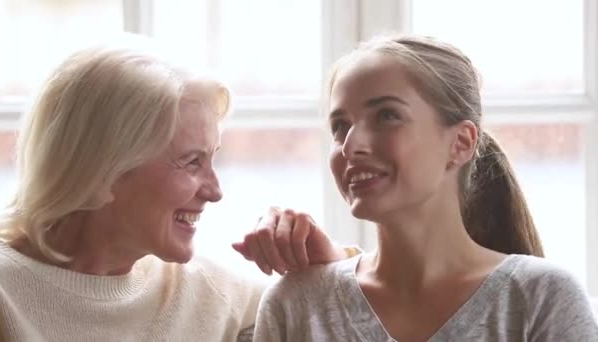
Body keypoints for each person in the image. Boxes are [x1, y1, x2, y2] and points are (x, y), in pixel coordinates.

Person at [0, 37, 352, 342]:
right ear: (103, 165)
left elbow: (368, 319)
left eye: (213, 160)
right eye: (192, 162)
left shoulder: (209, 292)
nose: (215, 191)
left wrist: (327, 265)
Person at [251, 34, 598, 341]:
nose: (350, 145)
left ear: (460, 142)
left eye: (387, 115)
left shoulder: (541, 299)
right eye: (340, 126)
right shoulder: (295, 305)